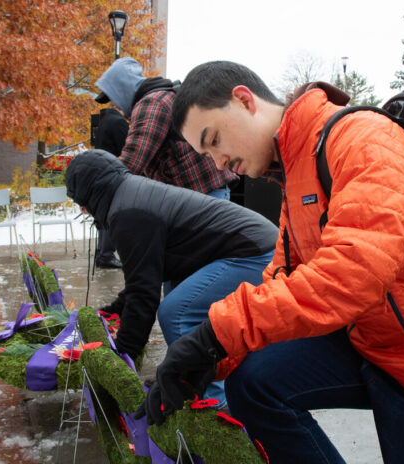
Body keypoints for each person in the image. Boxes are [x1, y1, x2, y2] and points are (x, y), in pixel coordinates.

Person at [132, 61, 404, 464]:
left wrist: (215, 334)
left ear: (245, 101)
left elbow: (353, 275)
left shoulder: (361, 138)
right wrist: (207, 364)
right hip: (377, 344)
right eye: (205, 154)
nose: (219, 163)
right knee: (254, 382)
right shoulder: (297, 170)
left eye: (214, 140)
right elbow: (282, 281)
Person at [65, 149, 277, 408]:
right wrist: (113, 312)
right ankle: (191, 385)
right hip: (255, 247)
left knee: (177, 312)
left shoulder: (127, 212)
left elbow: (144, 294)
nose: (83, 209)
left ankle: (213, 408)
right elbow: (142, 279)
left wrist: (121, 359)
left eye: (80, 202)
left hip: (256, 254)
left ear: (90, 192)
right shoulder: (128, 196)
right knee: (183, 305)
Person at [94, 57, 238, 200]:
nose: (114, 104)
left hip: (199, 197)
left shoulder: (152, 103)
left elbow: (132, 160)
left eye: (113, 97)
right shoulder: (163, 96)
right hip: (204, 194)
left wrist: (95, 191)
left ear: (122, 88)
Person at [92, 103, 128, 269]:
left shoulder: (104, 121)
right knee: (110, 215)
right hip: (114, 174)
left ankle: (102, 253)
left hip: (102, 173)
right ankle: (106, 254)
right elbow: (126, 149)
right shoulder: (118, 122)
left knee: (104, 214)